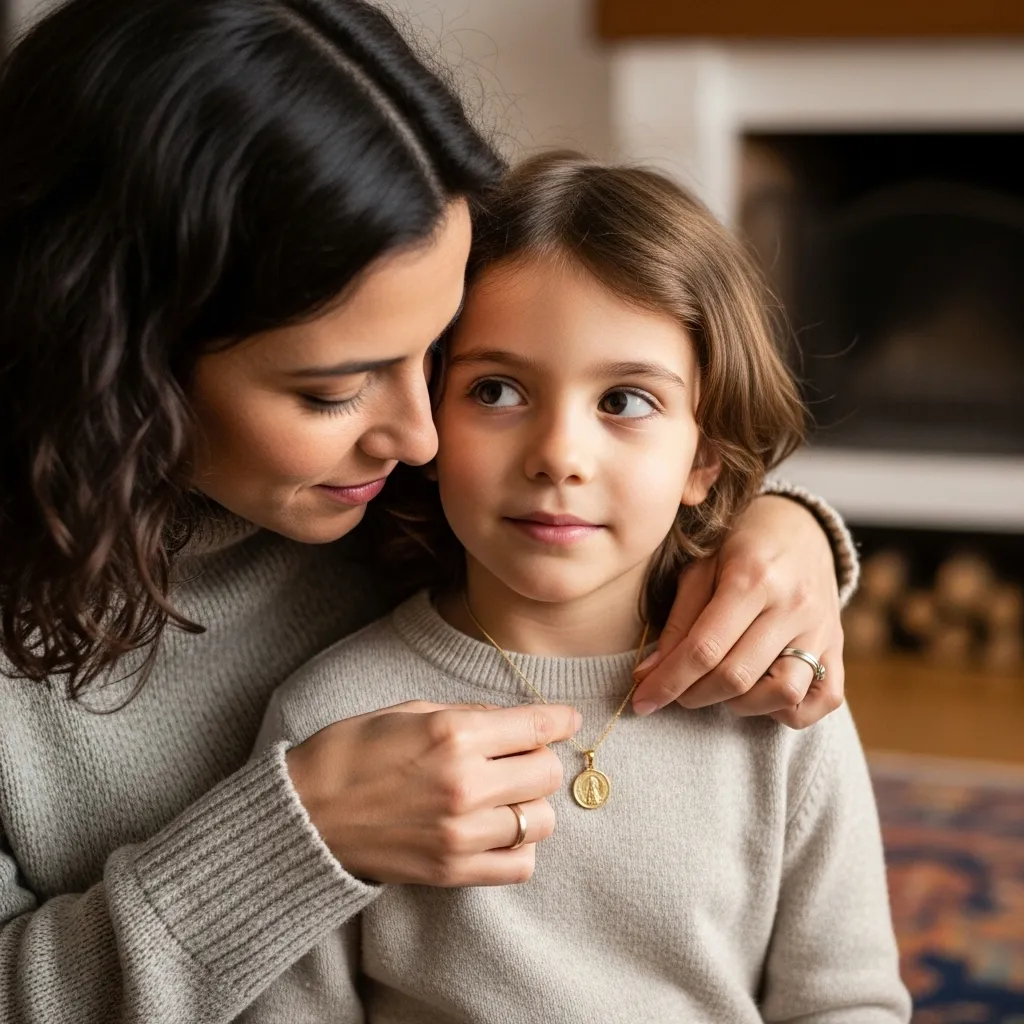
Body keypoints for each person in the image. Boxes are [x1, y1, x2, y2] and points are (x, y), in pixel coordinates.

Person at [0, 1, 856, 1021]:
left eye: (440, 356)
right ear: (116, 362)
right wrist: (296, 836)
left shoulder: (399, 478)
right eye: (332, 390)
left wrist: (779, 530)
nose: (421, 437)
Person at [244, 153, 910, 1023]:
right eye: (497, 389)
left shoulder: (781, 706)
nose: (559, 455)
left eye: (626, 401)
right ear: (426, 412)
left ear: (703, 457)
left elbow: (847, 1001)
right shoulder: (332, 719)